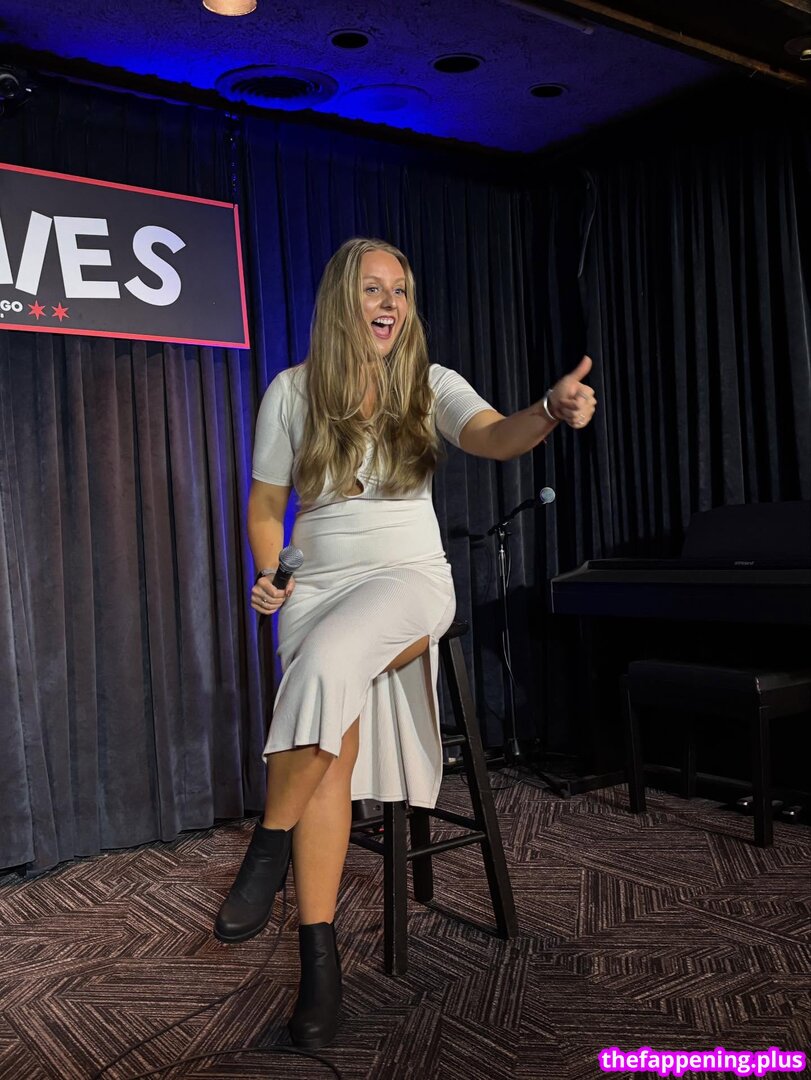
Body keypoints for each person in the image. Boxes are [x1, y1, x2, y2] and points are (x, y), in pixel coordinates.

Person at [213, 237, 597, 1048]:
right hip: (316, 588)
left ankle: (267, 844)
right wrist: (271, 571)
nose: (389, 302)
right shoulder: (291, 391)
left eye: (399, 290)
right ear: (340, 301)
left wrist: (545, 410)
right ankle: (319, 972)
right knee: (327, 750)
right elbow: (265, 504)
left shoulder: (429, 384)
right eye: (372, 288)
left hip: (407, 580)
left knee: (325, 665)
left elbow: (493, 436)